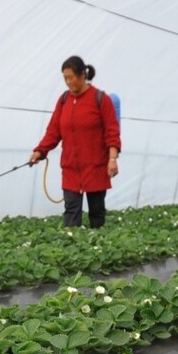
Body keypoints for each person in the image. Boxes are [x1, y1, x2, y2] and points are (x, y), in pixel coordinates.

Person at [28, 56, 121, 228]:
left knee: (96, 212)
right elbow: (53, 131)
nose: (68, 82)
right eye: (65, 78)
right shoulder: (63, 100)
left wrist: (112, 159)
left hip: (96, 168)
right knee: (71, 212)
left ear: (82, 75)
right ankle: (72, 247)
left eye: (71, 77)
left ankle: (97, 249)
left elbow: (112, 133)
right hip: (71, 168)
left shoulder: (101, 99)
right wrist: (40, 151)